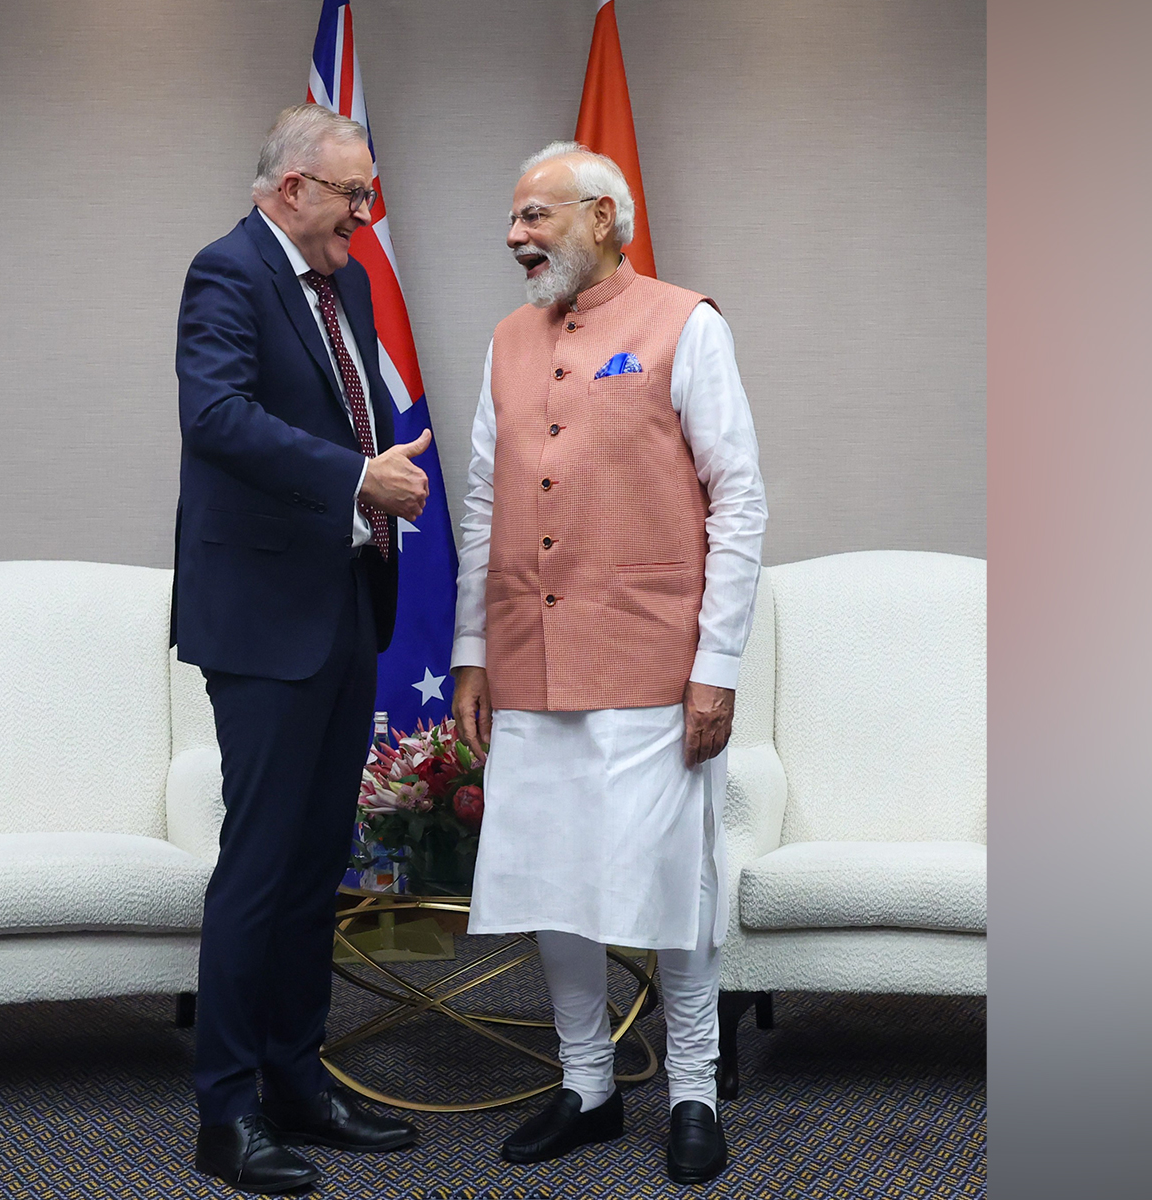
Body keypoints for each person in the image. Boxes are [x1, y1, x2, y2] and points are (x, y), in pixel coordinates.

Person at [451, 142, 766, 1187]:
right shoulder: (502, 341)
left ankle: (691, 1089)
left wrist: (716, 662)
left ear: (603, 218)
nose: (515, 237)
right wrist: (468, 653)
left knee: (672, 884)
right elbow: (484, 507)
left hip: (652, 655)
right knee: (553, 877)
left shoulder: (688, 325)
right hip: (528, 658)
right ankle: (585, 1085)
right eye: (513, 217)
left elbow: (739, 499)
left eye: (535, 217)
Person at [173, 102, 432, 1194]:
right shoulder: (224, 274)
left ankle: (297, 1083)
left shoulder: (349, 283)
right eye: (351, 197)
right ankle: (226, 1116)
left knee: (317, 862)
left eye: (368, 198)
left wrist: (379, 472)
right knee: (260, 863)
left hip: (344, 601)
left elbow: (351, 417)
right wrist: (353, 480)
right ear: (291, 191)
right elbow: (216, 417)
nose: (365, 218)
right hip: (263, 619)